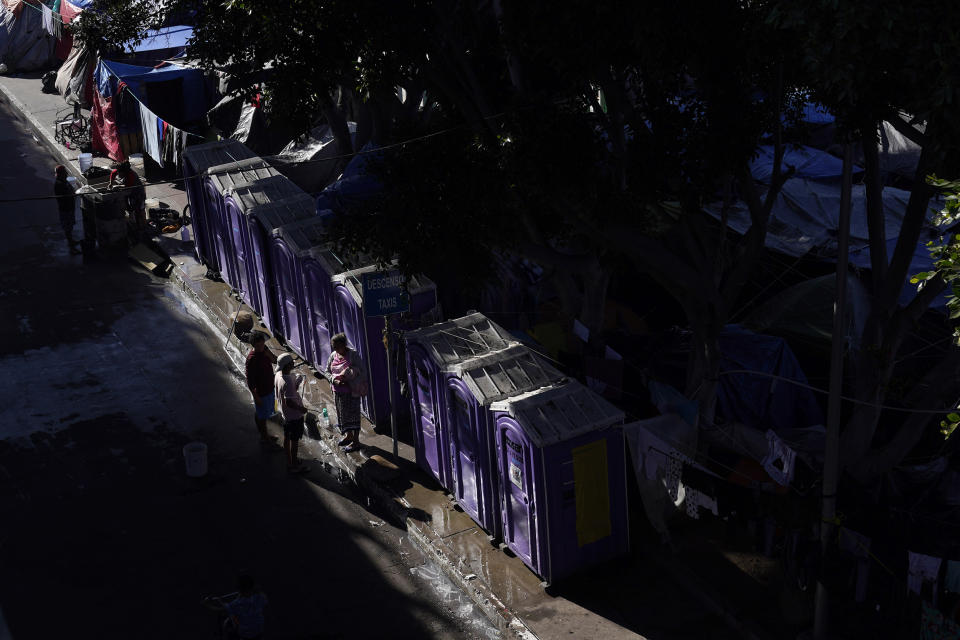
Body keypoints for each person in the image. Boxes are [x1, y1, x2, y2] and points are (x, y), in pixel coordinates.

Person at [323, 333, 367, 453]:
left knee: (354, 416)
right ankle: (349, 436)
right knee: (343, 416)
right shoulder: (333, 356)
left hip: (352, 393)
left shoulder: (353, 355)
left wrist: (350, 377)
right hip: (338, 393)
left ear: (344, 344)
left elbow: (363, 372)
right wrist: (334, 380)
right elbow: (326, 371)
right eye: (334, 347)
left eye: (337, 346)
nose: (335, 349)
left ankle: (356, 441)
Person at [202, 573, 267, 640]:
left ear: (239, 589)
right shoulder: (260, 598)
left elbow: (218, 609)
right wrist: (259, 591)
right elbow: (263, 597)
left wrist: (206, 604)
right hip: (258, 632)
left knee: (228, 622)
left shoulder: (235, 604)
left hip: (245, 635)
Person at [274, 352, 308, 473]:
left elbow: (286, 392)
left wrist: (296, 382)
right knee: (294, 442)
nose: (294, 363)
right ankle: (293, 465)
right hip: (294, 416)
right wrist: (301, 409)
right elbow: (289, 402)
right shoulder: (288, 381)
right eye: (292, 363)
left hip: (285, 414)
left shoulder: (278, 374)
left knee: (287, 437)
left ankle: (289, 460)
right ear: (288, 365)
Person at [244, 332, 278, 446]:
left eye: (262, 345)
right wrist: (256, 396)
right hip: (261, 392)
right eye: (258, 346)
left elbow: (275, 360)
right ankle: (265, 439)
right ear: (253, 345)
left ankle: (263, 434)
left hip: (269, 387)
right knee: (263, 417)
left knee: (262, 413)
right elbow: (250, 381)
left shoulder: (265, 351)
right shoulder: (251, 359)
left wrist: (267, 351)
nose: (261, 348)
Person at [108, 160, 146, 233]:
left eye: (120, 173)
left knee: (139, 210)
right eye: (118, 172)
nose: (118, 174)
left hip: (138, 192)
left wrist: (117, 186)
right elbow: (113, 173)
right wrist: (111, 183)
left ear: (125, 172)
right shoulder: (120, 170)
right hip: (130, 193)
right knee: (131, 208)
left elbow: (128, 187)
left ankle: (143, 226)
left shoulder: (131, 175)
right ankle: (135, 223)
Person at [53, 165, 80, 254]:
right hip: (65, 209)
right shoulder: (59, 184)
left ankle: (71, 241)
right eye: (65, 172)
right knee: (67, 227)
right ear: (61, 174)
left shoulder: (64, 182)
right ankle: (71, 247)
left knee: (70, 225)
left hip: (69, 207)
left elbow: (71, 190)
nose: (66, 174)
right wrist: (72, 194)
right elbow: (66, 196)